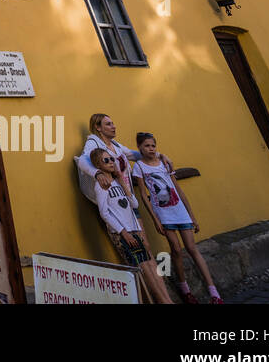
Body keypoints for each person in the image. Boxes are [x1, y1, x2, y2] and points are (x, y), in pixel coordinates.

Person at [132, 132, 223, 304]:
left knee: (192, 248)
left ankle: (214, 293)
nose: (150, 149)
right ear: (139, 148)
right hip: (164, 214)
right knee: (175, 249)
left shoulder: (165, 163)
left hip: (180, 211)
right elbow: (144, 196)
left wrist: (192, 215)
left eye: (153, 145)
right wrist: (155, 220)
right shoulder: (139, 167)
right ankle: (185, 290)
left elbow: (178, 189)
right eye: (146, 146)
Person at [90, 148, 173, 304]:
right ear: (98, 165)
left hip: (134, 229)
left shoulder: (117, 182)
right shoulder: (101, 185)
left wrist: (122, 181)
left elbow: (134, 204)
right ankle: (162, 301)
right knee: (143, 270)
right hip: (122, 233)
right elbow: (104, 213)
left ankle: (166, 300)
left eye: (111, 159)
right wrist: (124, 233)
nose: (110, 163)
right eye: (105, 160)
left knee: (149, 265)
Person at [76, 113, 169, 198]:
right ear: (98, 127)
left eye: (113, 123)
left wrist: (160, 156)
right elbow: (82, 160)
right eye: (108, 124)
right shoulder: (93, 143)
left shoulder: (114, 144)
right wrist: (97, 173)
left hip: (127, 193)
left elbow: (134, 155)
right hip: (113, 197)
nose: (114, 127)